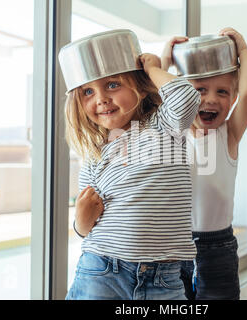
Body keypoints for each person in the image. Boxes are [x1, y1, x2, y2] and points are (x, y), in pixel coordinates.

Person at [60, 30, 201, 300]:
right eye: (88, 91)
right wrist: (80, 221)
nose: (100, 98)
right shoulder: (94, 153)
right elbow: (86, 224)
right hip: (102, 268)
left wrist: (152, 69)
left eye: (113, 84)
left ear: (139, 84)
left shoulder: (164, 126)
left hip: (165, 276)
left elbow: (185, 96)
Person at [161, 27, 247, 300]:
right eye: (200, 90)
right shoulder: (171, 133)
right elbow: (156, 98)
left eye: (223, 92)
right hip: (174, 246)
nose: (212, 99)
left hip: (218, 247)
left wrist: (243, 49)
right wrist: (164, 62)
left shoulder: (228, 135)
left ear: (233, 97)